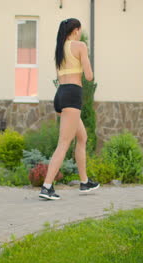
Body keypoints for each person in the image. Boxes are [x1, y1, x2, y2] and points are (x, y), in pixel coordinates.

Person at [39, 18, 100, 200]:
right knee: (64, 143)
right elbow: (89, 76)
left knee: (82, 137)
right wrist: (85, 63)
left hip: (60, 95)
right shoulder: (80, 45)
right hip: (72, 95)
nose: (80, 33)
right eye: (79, 30)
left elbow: (60, 76)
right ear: (75, 30)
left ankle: (84, 182)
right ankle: (46, 187)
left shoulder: (60, 49)